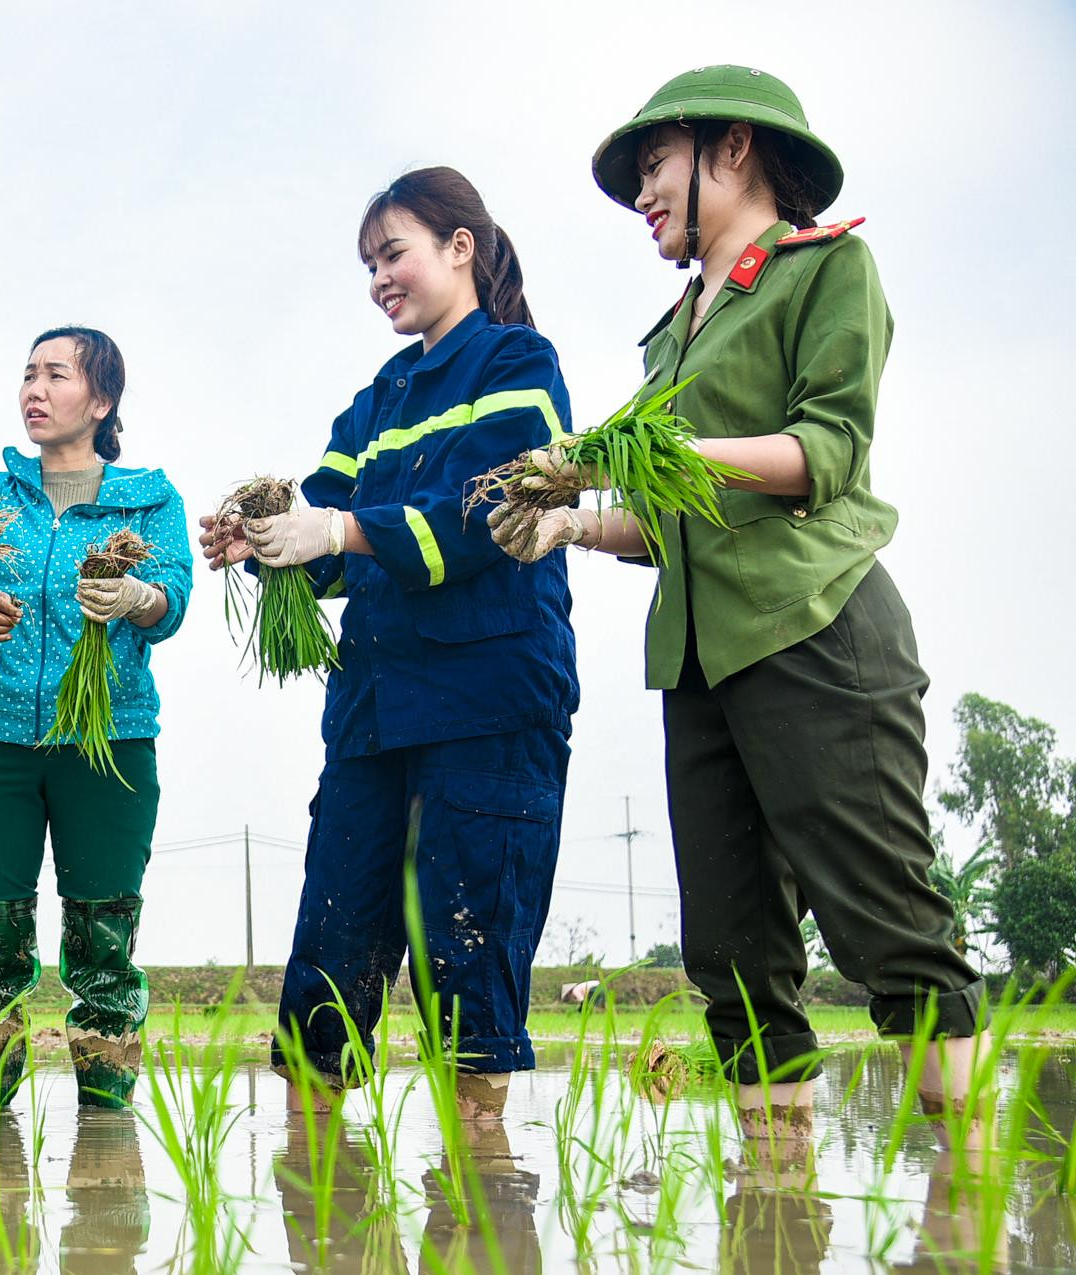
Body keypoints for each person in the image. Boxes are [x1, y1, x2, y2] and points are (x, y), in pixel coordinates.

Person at [491, 64, 986, 1142]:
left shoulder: (823, 270)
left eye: (653, 168)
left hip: (814, 621)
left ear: (731, 151)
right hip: (699, 657)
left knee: (884, 917)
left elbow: (825, 452)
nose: (641, 199)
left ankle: (965, 1199)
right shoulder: (670, 336)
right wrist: (573, 519)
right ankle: (773, 1208)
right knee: (731, 947)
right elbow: (667, 514)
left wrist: (634, 451)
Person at [200, 168, 578, 1121]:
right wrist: (264, 540)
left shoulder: (516, 365)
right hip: (374, 714)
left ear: (461, 247)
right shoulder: (375, 403)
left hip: (488, 704)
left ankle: (485, 1186)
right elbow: (323, 533)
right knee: (327, 971)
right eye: (369, 264)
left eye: (393, 253)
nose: (379, 278)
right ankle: (320, 1204)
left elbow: (492, 510)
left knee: (469, 970)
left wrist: (342, 532)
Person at [0, 326, 193, 1108]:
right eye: (27, 374)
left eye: (56, 375)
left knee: (103, 948)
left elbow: (173, 598)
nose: (34, 390)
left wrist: (138, 598)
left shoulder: (149, 499)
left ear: (102, 399)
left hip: (107, 745)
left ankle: (107, 1147)